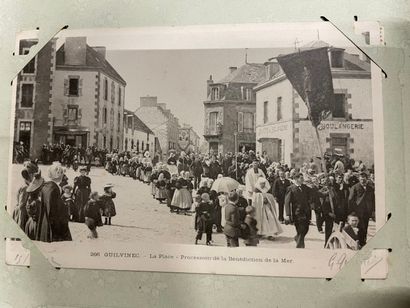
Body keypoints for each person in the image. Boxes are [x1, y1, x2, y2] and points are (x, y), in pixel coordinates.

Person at [35, 164, 72, 242]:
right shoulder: (54, 188)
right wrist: (65, 207)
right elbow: (56, 209)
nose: (62, 175)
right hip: (53, 226)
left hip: (45, 222)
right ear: (57, 174)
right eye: (61, 173)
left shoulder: (46, 186)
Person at [284, 173, 311, 248]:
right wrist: (288, 215)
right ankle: (300, 247)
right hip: (297, 212)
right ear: (296, 179)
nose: (303, 179)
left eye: (303, 178)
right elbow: (287, 202)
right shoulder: (291, 188)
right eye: (301, 178)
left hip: (306, 212)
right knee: (301, 230)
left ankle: (297, 238)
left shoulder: (305, 187)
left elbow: (313, 192)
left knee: (306, 229)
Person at [348, 172, 375, 247]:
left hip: (367, 212)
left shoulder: (371, 188)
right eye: (361, 178)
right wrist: (352, 211)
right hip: (358, 212)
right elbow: (350, 199)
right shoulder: (355, 187)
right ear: (359, 179)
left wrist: (373, 211)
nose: (363, 180)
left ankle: (363, 242)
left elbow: (373, 200)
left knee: (365, 227)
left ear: (367, 179)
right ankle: (358, 243)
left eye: (364, 178)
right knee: (359, 227)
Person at [13, 161, 39, 231]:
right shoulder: (25, 187)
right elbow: (22, 205)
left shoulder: (27, 185)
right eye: (33, 175)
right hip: (22, 213)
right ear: (30, 175)